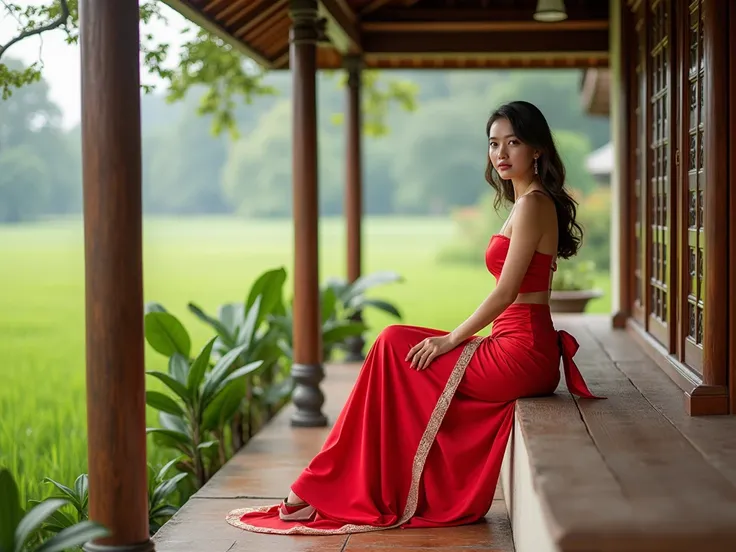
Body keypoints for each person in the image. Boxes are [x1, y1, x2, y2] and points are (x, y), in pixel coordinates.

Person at [225, 100, 605, 536]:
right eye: (493, 144)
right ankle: (327, 485)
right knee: (392, 347)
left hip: (521, 353)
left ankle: (323, 488)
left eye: (513, 143)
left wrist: (449, 340)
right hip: (514, 346)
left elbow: (505, 293)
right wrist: (453, 340)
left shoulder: (535, 203)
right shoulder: (524, 203)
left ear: (537, 149)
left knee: (392, 347)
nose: (501, 154)